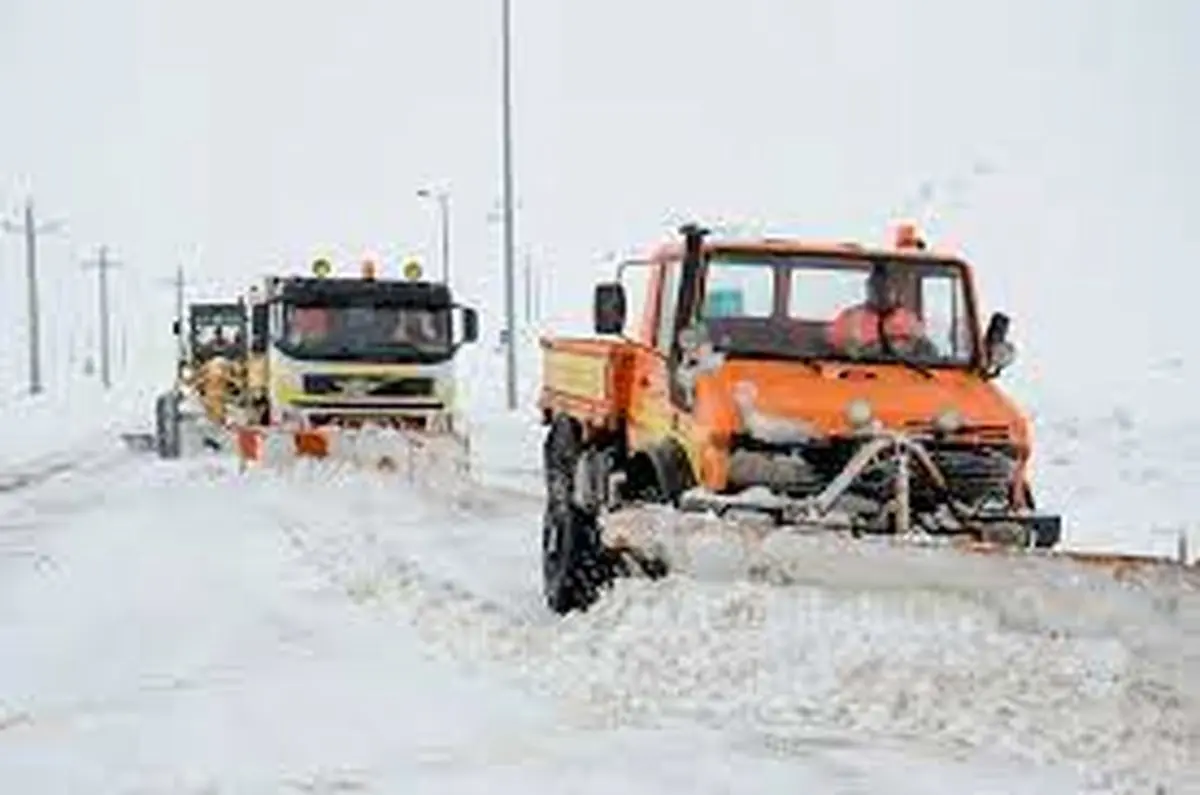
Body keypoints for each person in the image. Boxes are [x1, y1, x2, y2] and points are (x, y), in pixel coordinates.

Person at [828, 265, 926, 356]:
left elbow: (924, 351)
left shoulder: (909, 320)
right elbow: (835, 351)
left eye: (888, 288)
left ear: (896, 290)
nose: (882, 292)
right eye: (877, 287)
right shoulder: (849, 319)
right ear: (869, 288)